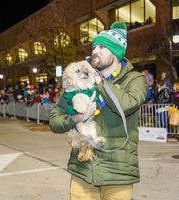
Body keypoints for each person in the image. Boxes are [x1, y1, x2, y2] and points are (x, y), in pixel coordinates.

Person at [49, 21, 147, 200]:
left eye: (102, 47)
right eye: (94, 47)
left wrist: (99, 81)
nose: (94, 51)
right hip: (83, 168)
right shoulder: (79, 80)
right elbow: (55, 121)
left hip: (117, 171)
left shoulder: (135, 79)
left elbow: (126, 104)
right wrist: (76, 118)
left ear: (116, 52)